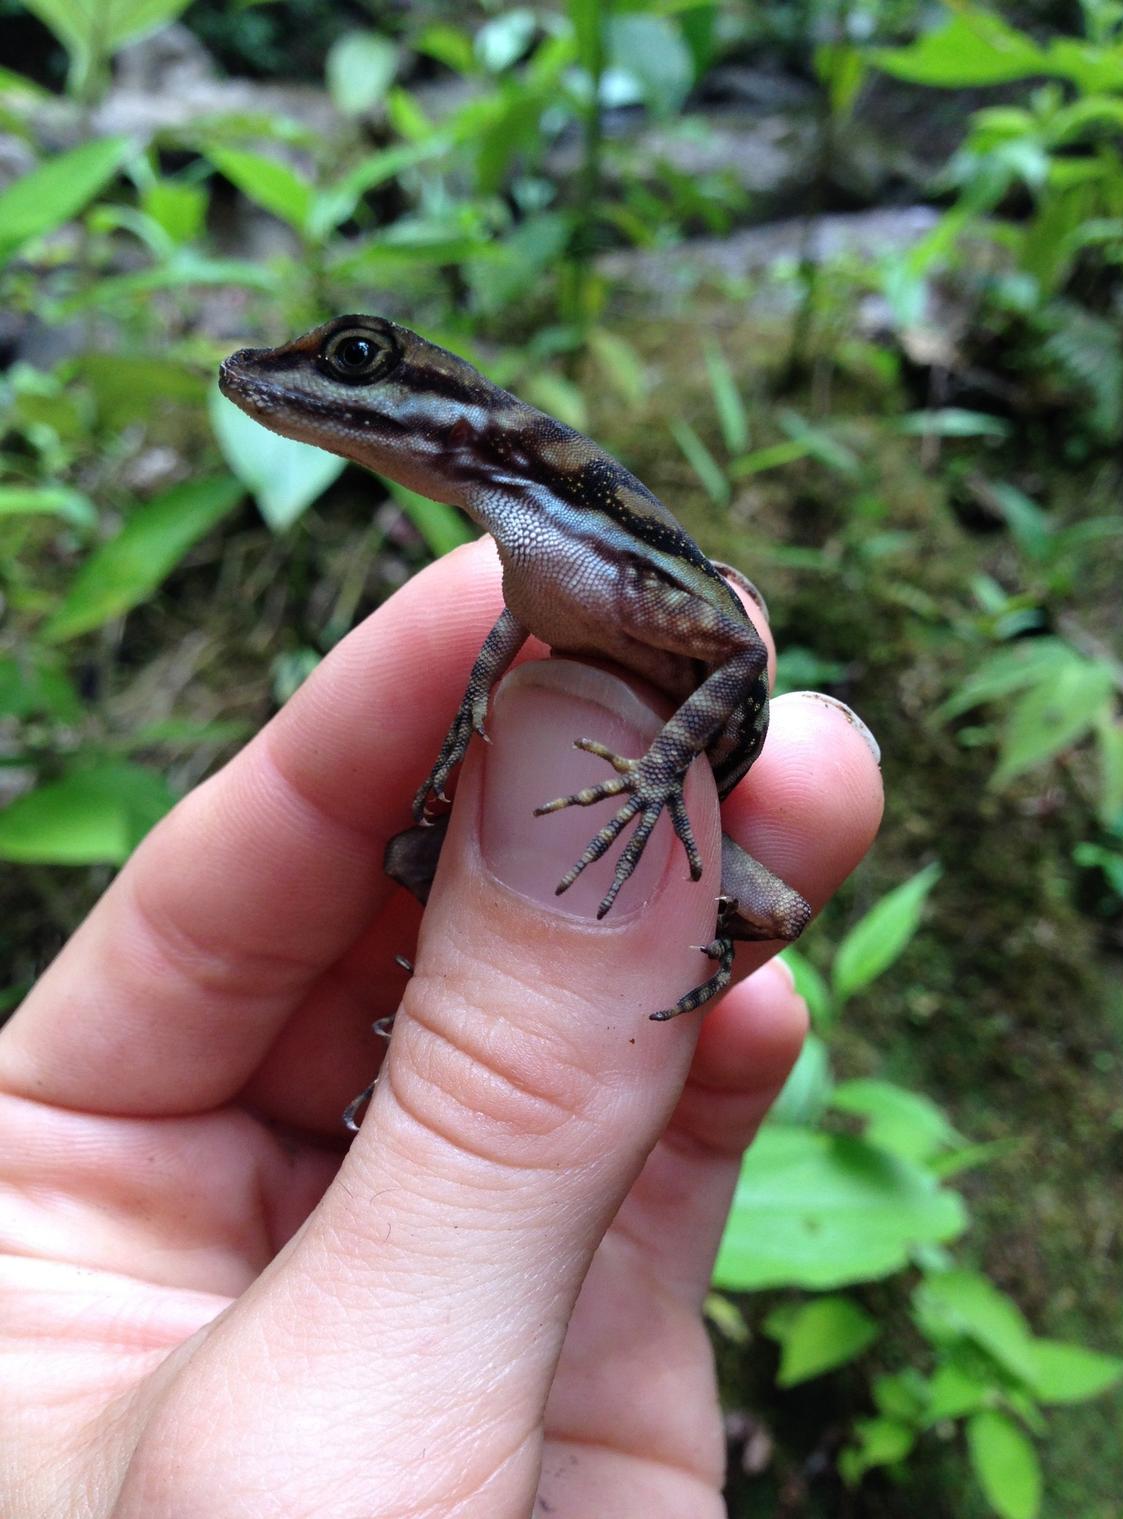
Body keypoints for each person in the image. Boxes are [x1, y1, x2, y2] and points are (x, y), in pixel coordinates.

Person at [0, 537, 883, 1518]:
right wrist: (476, 703)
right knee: (409, 853)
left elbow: (724, 659)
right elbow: (516, 613)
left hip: (692, 787)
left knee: (780, 913)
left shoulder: (566, 539)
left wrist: (657, 773)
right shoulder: (536, 562)